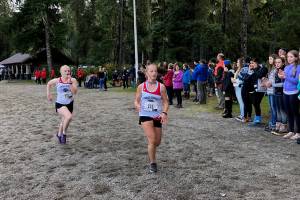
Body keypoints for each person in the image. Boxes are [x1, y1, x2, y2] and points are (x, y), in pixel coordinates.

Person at [134, 64, 169, 173]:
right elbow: (136, 100)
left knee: (157, 142)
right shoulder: (141, 87)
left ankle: (151, 147)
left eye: (155, 71)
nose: (154, 73)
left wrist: (164, 113)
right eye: (151, 71)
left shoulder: (161, 87)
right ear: (147, 73)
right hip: (145, 114)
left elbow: (166, 102)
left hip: (157, 115)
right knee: (152, 139)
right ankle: (153, 163)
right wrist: (138, 106)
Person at [46, 65, 78, 144]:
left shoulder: (73, 80)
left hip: (70, 103)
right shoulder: (57, 80)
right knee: (69, 117)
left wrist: (70, 83)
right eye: (65, 71)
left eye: (68, 71)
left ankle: (59, 134)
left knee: (64, 120)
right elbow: (48, 84)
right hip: (60, 104)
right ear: (61, 72)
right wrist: (48, 94)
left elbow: (74, 92)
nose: (67, 72)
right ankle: (64, 134)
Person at [279, 50, 300, 140]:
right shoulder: (287, 67)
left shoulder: (298, 67)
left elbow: (296, 81)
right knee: (288, 113)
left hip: (294, 92)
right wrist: (282, 77)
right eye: (288, 57)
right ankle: (291, 131)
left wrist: (285, 77)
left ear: (296, 57)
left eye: (291, 57)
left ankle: (298, 133)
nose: (289, 58)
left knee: (295, 113)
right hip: (285, 92)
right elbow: (285, 80)